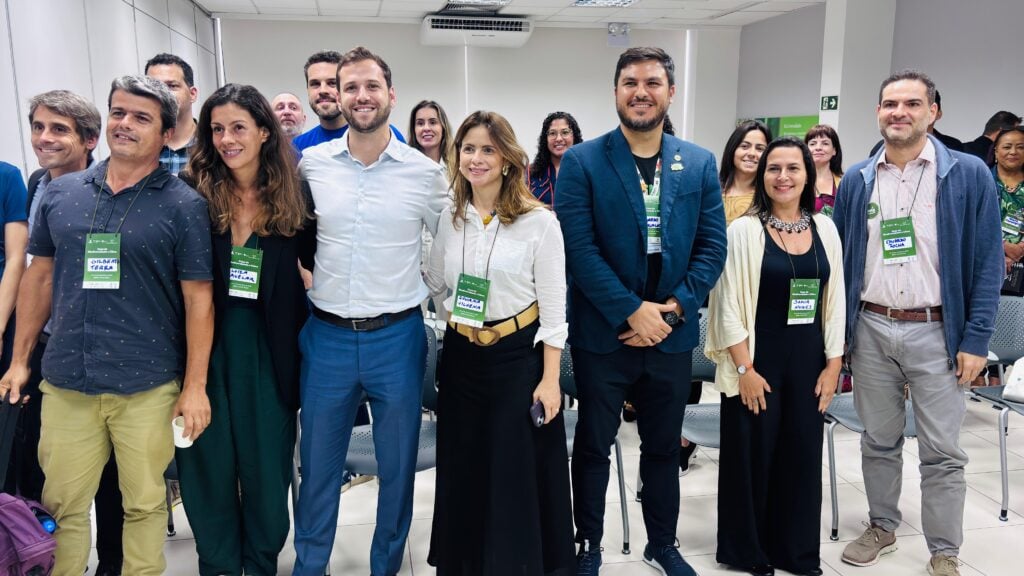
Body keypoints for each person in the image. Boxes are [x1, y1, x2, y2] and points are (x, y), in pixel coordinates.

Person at [0, 74, 214, 576]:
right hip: (67, 381)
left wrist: (195, 386)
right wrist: (20, 360)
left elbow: (198, 300)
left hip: (147, 384)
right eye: (118, 112)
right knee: (63, 506)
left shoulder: (184, 205)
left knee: (143, 504)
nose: (125, 124)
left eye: (141, 118)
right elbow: (40, 277)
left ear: (166, 133)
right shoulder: (62, 193)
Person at [556, 46, 727, 576]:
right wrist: (632, 311)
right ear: (615, 92)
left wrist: (671, 311)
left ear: (670, 92)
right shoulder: (583, 162)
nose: (641, 92)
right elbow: (578, 250)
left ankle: (662, 543)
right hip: (604, 336)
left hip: (671, 337)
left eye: (653, 83)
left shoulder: (697, 162)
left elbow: (712, 248)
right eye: (630, 82)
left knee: (662, 448)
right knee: (593, 447)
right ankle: (589, 545)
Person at [833, 70, 1002, 576]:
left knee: (942, 451)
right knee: (877, 440)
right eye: (890, 104)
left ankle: (944, 550)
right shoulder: (858, 178)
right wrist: (840, 337)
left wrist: (976, 338)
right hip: (871, 328)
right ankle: (882, 525)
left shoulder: (968, 174)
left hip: (938, 332)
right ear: (878, 112)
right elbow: (841, 262)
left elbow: (988, 262)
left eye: (911, 103)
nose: (899, 112)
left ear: (934, 112)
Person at [292, 46, 448, 576]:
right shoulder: (312, 165)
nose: (361, 96)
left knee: (397, 468)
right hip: (327, 338)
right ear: (338, 96)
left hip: (397, 338)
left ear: (391, 95)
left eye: (371, 86)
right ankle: (310, 566)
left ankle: (387, 566)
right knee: (318, 468)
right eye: (350, 87)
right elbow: (293, 234)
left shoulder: (423, 173)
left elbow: (454, 240)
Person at [425, 110, 575, 575]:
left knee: (513, 472)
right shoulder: (451, 220)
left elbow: (554, 312)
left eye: (487, 149)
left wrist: (550, 380)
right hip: (462, 360)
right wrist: (455, 319)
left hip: (517, 360)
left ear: (508, 159)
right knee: (466, 466)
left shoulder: (539, 223)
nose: (476, 158)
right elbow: (435, 282)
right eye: (468, 148)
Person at [177, 84, 310, 576]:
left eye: (238, 127)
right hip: (203, 349)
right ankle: (218, 565)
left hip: (268, 353)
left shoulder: (294, 194)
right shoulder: (192, 193)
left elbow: (319, 262)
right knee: (206, 466)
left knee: (267, 473)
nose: (227, 139)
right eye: (217, 129)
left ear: (263, 132)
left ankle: (259, 564)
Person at [706, 137, 845, 576]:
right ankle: (747, 550)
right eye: (773, 169)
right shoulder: (743, 231)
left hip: (808, 360)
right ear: (762, 176)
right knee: (753, 455)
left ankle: (795, 551)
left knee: (801, 454)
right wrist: (743, 368)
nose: (783, 177)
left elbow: (836, 300)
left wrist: (834, 364)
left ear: (808, 175)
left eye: (793, 168)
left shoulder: (825, 229)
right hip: (757, 359)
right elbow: (727, 305)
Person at [5, 90, 127, 576]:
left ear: (90, 139)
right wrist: (21, 353)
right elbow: (36, 269)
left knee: (111, 474)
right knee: (48, 465)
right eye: (38, 127)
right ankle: (42, 555)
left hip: (103, 348)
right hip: (47, 343)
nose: (44, 139)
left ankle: (113, 563)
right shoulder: (37, 184)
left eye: (59, 129)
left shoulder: (111, 188)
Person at [292, 50, 405, 154]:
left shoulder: (389, 138)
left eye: (332, 83)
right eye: (315, 84)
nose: (323, 90)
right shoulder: (298, 146)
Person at [145, 52, 199, 176]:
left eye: (171, 86)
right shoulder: (138, 148)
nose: (162, 94)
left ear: (192, 94)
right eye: (153, 87)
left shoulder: (214, 145)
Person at [721, 121, 772, 225]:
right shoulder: (711, 190)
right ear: (732, 149)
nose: (752, 153)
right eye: (744, 146)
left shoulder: (770, 197)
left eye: (759, 148)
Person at [529, 111, 583, 207]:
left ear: (574, 136)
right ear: (545, 139)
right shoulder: (530, 172)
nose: (558, 139)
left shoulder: (586, 170)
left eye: (565, 132)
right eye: (552, 133)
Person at [990, 127, 1024, 273]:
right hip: (986, 261)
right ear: (996, 151)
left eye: (1020, 147)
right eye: (1007, 147)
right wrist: (1003, 246)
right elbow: (969, 223)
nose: (1013, 152)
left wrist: (1020, 250)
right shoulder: (980, 181)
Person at [804, 124, 843, 216]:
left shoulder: (844, 182)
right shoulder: (797, 181)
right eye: (813, 144)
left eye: (825, 143)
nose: (818, 148)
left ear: (834, 150)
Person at [408, 100, 453, 169]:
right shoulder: (406, 166)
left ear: (443, 128)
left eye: (433, 122)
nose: (426, 128)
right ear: (414, 130)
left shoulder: (457, 165)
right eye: (420, 123)